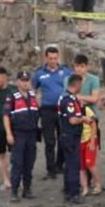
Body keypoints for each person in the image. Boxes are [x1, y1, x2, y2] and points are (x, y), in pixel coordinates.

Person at [32, 46, 73, 180]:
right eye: (50, 58)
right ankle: (50, 169)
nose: (53, 61)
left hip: (62, 110)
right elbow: (33, 89)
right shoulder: (39, 73)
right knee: (49, 141)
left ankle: (59, 165)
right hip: (47, 110)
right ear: (46, 58)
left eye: (55, 58)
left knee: (63, 138)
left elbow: (73, 87)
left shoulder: (66, 71)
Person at [3, 70, 41, 202]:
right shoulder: (12, 96)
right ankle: (14, 192)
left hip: (31, 133)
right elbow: (6, 116)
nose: (25, 83)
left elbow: (37, 112)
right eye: (23, 80)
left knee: (29, 163)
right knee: (17, 163)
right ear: (17, 82)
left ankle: (27, 189)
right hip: (18, 134)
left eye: (27, 80)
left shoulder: (32, 95)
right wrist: (8, 133)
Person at [72, 54, 102, 196]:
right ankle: (84, 186)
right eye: (77, 66)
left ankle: (97, 184)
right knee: (81, 163)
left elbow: (95, 98)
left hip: (90, 124)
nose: (79, 69)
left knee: (90, 162)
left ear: (86, 66)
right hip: (75, 125)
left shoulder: (93, 80)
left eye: (82, 66)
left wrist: (79, 98)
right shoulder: (69, 79)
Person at [57, 74, 86, 204]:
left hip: (67, 135)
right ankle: (74, 193)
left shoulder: (69, 98)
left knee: (69, 165)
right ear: (77, 84)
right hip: (70, 136)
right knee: (73, 165)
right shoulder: (68, 100)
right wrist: (83, 119)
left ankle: (68, 191)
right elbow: (73, 120)